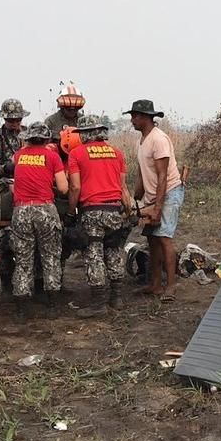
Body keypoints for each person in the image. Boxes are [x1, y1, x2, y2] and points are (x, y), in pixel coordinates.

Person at [66, 115, 133, 317]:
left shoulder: (76, 154)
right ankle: (117, 298)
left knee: (93, 254)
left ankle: (98, 303)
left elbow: (75, 186)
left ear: (86, 134)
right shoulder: (117, 153)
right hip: (114, 210)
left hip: (92, 210)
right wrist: (127, 212)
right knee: (113, 250)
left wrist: (70, 212)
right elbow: (123, 188)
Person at [125, 100, 184, 302]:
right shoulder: (142, 141)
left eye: (134, 116)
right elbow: (143, 174)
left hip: (168, 192)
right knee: (152, 238)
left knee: (165, 238)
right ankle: (155, 285)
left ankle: (171, 286)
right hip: (153, 195)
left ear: (145, 117)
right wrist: (136, 200)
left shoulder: (159, 139)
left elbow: (162, 176)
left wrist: (158, 207)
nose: (132, 120)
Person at [10, 122, 68, 320]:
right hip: (45, 209)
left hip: (21, 211)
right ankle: (53, 305)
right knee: (50, 257)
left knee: (23, 260)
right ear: (46, 139)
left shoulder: (18, 155)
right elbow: (63, 188)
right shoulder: (52, 156)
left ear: (28, 138)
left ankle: (21, 309)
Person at [0, 98, 30, 296]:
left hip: (28, 187)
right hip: (4, 190)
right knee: (6, 240)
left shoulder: (29, 135)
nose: (15, 123)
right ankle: (6, 282)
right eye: (11, 120)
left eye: (17, 119)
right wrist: (7, 169)